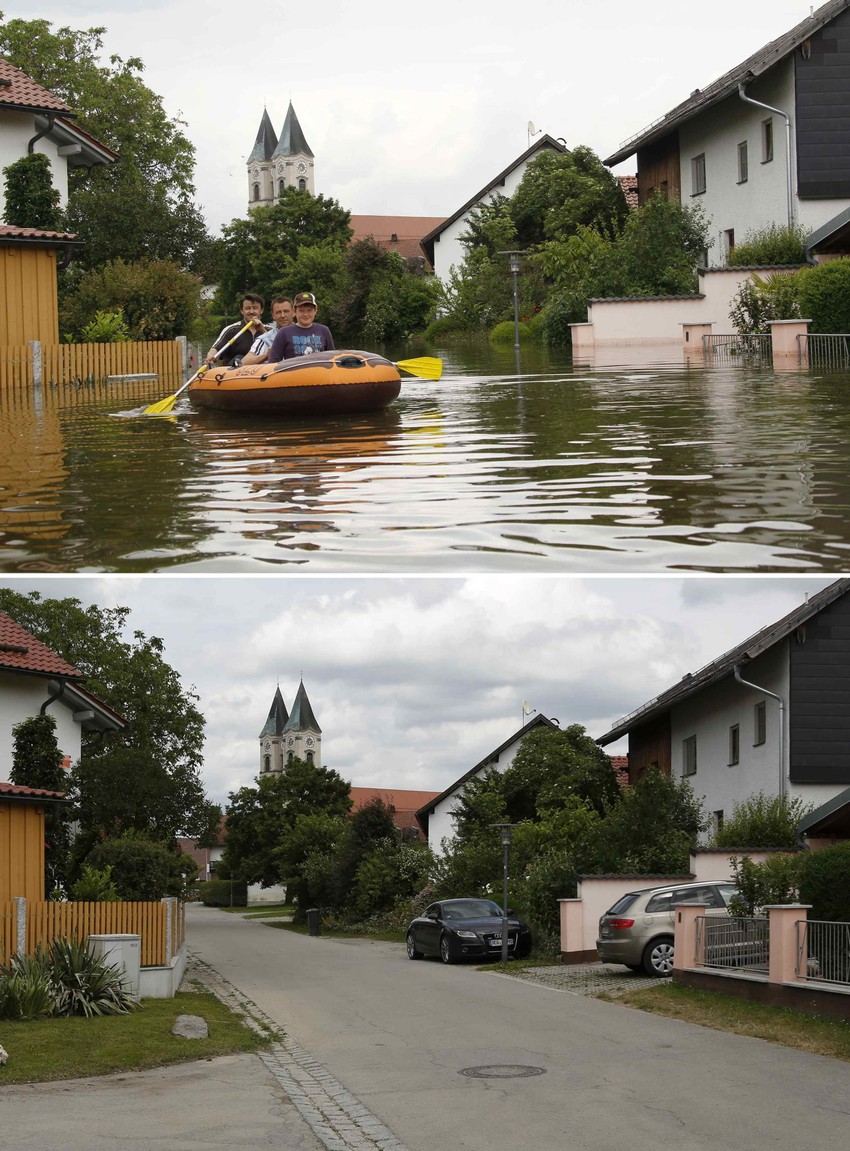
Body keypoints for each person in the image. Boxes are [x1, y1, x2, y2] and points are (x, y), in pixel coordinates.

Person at [267, 291, 334, 362]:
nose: (305, 314)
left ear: (315, 311)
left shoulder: (324, 330)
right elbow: (273, 362)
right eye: (301, 311)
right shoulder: (283, 332)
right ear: (294, 311)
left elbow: (333, 358)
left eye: (309, 310)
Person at [205, 293, 267, 366]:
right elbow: (216, 349)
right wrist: (211, 356)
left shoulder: (270, 330)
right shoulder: (231, 330)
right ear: (241, 311)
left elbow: (275, 349)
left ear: (261, 310)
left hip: (262, 373)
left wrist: (262, 330)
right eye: (247, 308)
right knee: (239, 358)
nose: (251, 312)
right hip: (234, 372)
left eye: (255, 308)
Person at [241, 296, 294, 365]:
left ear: (294, 312)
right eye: (278, 312)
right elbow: (243, 362)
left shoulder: (309, 333)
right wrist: (266, 355)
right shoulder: (265, 339)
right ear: (273, 315)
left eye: (286, 311)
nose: (282, 315)